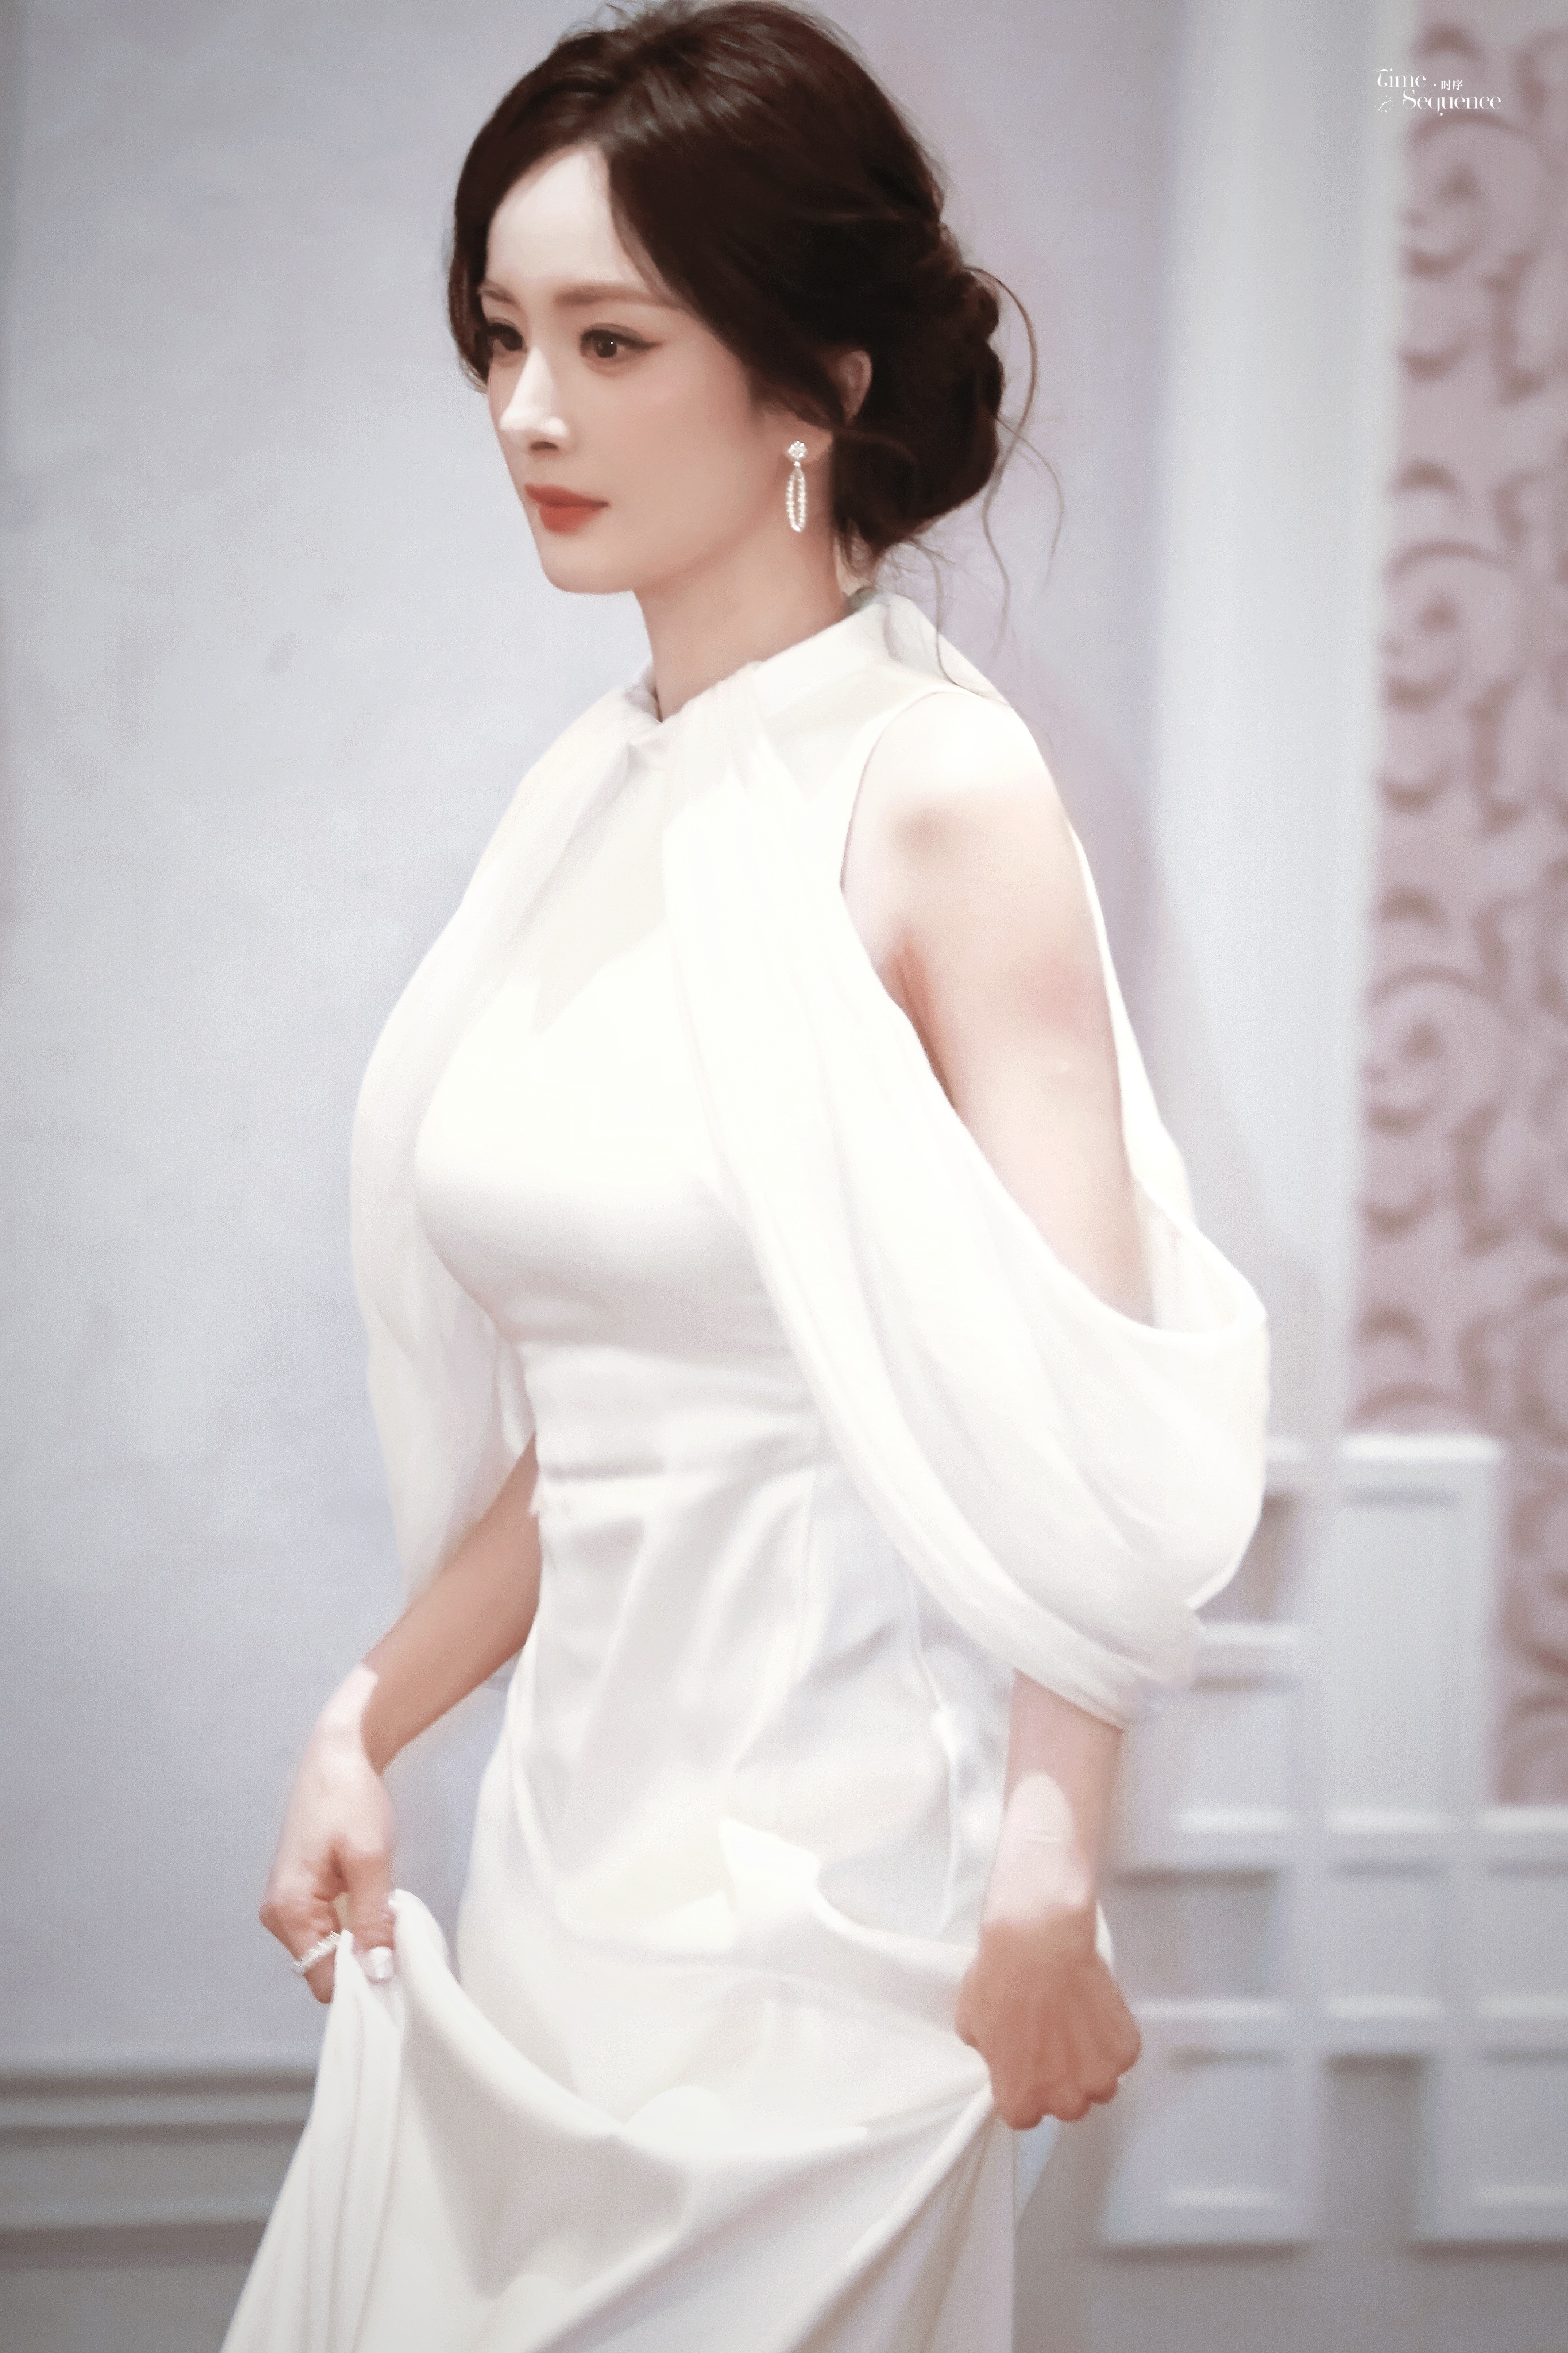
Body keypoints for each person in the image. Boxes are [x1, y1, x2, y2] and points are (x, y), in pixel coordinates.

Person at [222, 4, 1269, 2347]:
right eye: (500, 335)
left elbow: (1085, 1398)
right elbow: (637, 1418)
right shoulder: (584, 800)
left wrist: (1047, 1863)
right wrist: (363, 1715)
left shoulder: (937, 796)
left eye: (609, 341)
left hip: (843, 1928)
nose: (528, 411)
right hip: (564, 1894)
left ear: (814, 384)